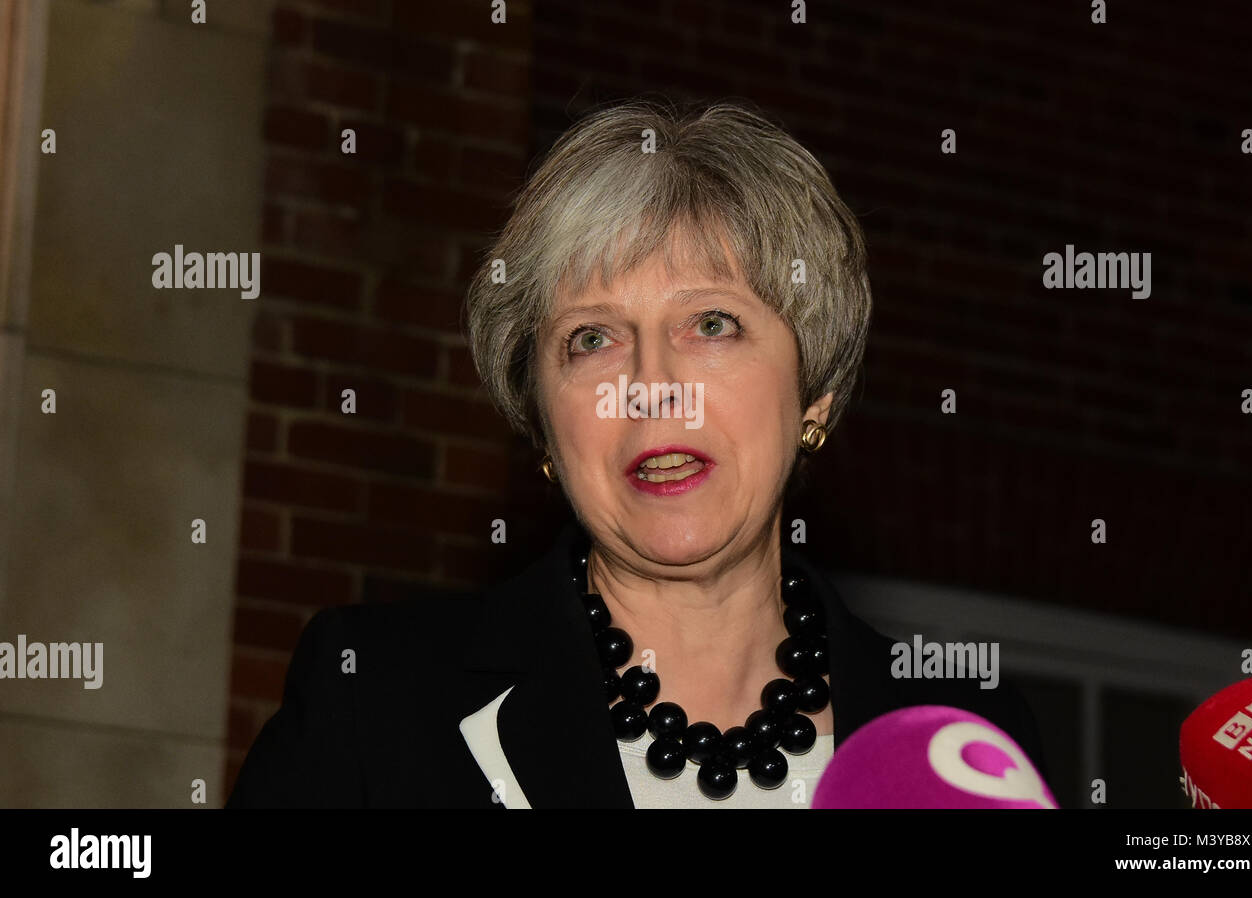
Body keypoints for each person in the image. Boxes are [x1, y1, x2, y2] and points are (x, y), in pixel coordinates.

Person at [227, 98, 1046, 808]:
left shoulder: (963, 738)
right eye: (592, 338)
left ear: (815, 394)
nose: (651, 385)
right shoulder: (375, 701)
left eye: (712, 323)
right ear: (544, 428)